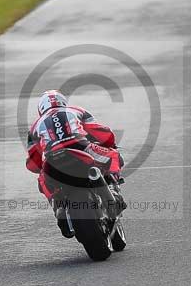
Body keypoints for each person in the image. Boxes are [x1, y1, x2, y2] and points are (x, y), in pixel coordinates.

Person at [25, 90, 124, 238]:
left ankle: (57, 207)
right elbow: (103, 133)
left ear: (41, 109)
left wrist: (42, 167)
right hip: (82, 148)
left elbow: (33, 163)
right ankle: (113, 189)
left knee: (42, 179)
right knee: (113, 155)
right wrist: (110, 144)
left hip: (52, 159)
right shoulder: (76, 110)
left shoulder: (34, 127)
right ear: (63, 102)